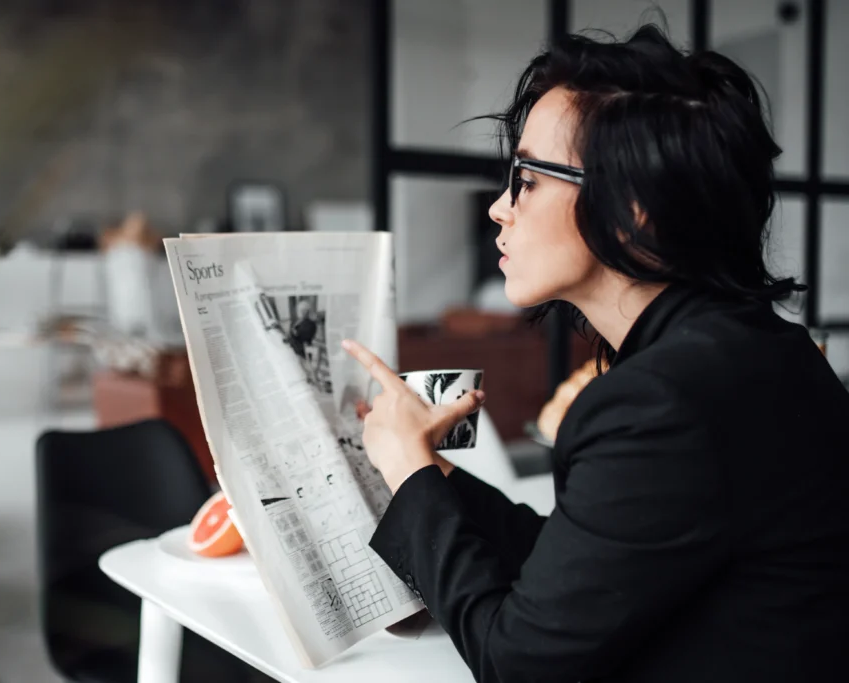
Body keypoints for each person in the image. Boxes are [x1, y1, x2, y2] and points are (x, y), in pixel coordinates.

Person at [342, 25, 849, 683]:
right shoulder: (750, 351)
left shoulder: (665, 400)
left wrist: (408, 466)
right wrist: (426, 474)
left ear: (634, 210)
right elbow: (578, 563)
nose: (499, 208)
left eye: (525, 178)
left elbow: (517, 664)